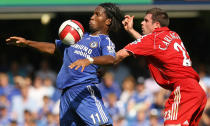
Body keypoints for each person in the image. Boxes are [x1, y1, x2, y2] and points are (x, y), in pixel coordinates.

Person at [6, 3, 124, 126]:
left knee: (102, 124)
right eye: (93, 14)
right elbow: (54, 48)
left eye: (97, 14)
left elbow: (111, 59)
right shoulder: (79, 36)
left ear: (108, 21)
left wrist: (89, 60)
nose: (92, 17)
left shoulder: (104, 41)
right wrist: (28, 43)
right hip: (66, 95)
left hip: (83, 90)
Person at [114, 8, 207, 126]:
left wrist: (91, 62)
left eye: (146, 20)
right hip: (197, 90)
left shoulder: (153, 39)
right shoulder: (173, 34)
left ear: (156, 25)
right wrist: (131, 30)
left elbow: (119, 55)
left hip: (183, 89)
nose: (142, 23)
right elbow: (147, 45)